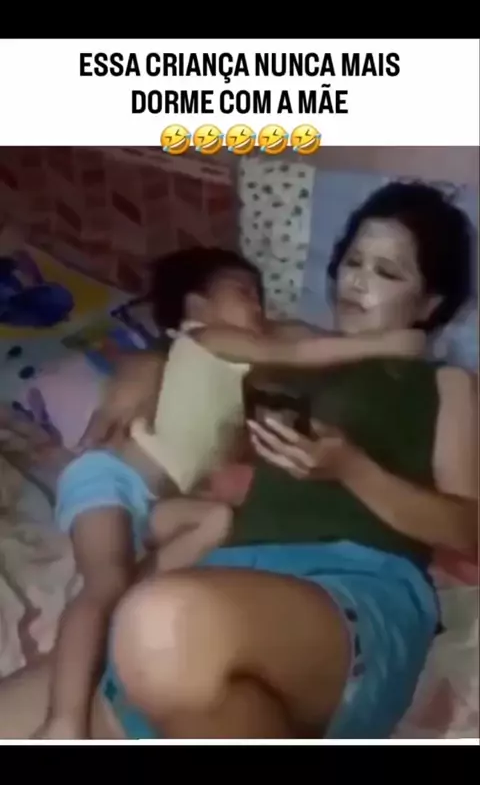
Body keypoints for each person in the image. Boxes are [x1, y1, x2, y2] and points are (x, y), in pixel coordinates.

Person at [0, 182, 476, 739]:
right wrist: (144, 371)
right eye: (352, 262)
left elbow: (468, 528)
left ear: (430, 303)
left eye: (387, 272)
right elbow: (191, 347)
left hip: (353, 587)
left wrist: (353, 469)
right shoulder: (287, 347)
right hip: (227, 581)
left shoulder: (444, 383)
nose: (357, 281)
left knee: (158, 625)